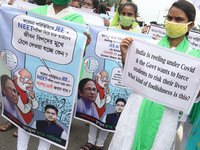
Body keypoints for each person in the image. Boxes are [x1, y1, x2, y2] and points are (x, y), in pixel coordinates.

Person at [108, 1, 198, 150]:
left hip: (165, 120)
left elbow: (193, 95)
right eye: (169, 18)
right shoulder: (148, 47)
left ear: (190, 25)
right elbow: (132, 79)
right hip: (135, 111)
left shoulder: (194, 58)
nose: (172, 22)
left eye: (178, 19)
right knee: (125, 142)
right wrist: (125, 56)